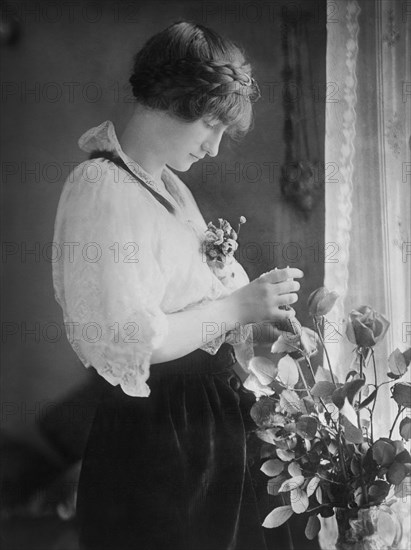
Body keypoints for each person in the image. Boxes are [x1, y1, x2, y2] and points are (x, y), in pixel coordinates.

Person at [53, 21, 303, 550]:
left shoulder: (168, 187)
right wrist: (237, 307)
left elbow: (196, 305)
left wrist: (256, 303)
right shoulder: (103, 189)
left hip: (204, 430)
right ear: (174, 101)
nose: (213, 148)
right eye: (210, 124)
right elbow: (135, 338)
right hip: (158, 437)